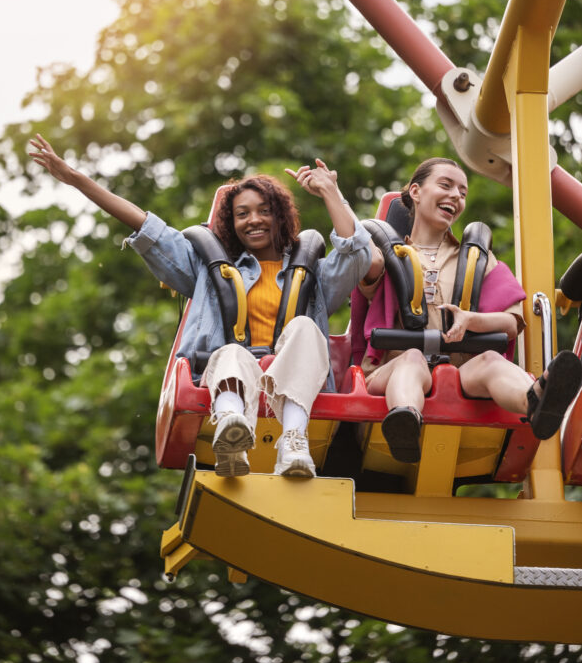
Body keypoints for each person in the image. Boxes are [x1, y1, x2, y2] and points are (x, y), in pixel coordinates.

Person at [29, 135, 383, 478]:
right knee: (229, 352)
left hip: (295, 381)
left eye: (263, 211)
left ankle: (293, 440)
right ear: (231, 223)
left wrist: (329, 191)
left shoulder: (315, 277)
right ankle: (231, 429)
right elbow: (147, 227)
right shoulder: (207, 270)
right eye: (242, 214)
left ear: (281, 216)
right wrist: (76, 180)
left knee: (306, 328)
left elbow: (356, 250)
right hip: (231, 370)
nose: (253, 220)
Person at [352, 156, 582, 463]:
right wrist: (332, 195)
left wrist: (471, 319)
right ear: (416, 192)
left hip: (459, 371)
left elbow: (512, 323)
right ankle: (405, 421)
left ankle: (539, 401)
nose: (456, 196)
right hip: (392, 369)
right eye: (446, 186)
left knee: (490, 360)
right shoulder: (385, 255)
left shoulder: (476, 259)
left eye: (462, 192)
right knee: (412, 359)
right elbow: (351, 246)